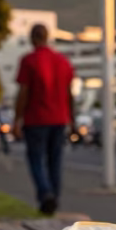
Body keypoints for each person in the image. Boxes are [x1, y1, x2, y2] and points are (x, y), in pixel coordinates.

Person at [15, 23, 75, 215]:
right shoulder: (63, 61)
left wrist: (17, 119)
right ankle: (54, 198)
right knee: (55, 161)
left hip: (36, 119)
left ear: (32, 38)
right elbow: (69, 93)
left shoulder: (29, 60)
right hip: (59, 118)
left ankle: (45, 193)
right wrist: (72, 120)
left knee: (36, 159)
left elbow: (23, 91)